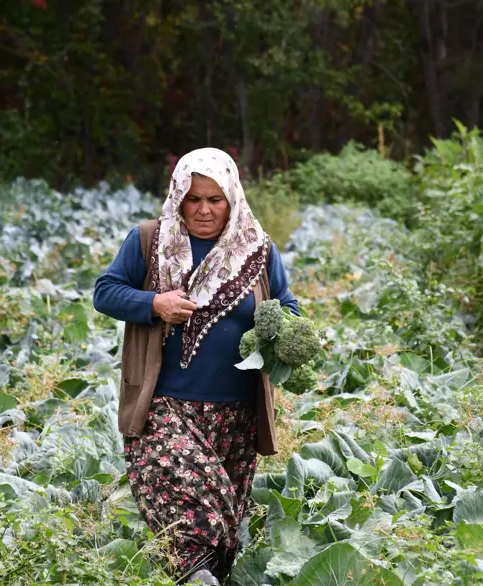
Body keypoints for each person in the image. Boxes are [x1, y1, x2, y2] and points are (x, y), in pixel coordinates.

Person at [93, 147, 299, 584]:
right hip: (163, 407)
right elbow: (105, 291)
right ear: (178, 198)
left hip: (236, 416)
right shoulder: (150, 240)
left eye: (215, 199)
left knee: (220, 540)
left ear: (233, 199)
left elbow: (289, 308)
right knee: (202, 517)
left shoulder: (258, 250)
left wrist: (283, 330)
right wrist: (154, 303)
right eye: (193, 199)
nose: (204, 210)